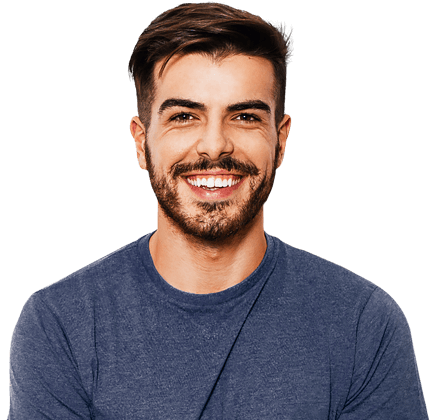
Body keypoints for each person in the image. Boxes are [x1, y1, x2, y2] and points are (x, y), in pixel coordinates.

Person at [8, 2, 429, 419]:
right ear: (141, 142)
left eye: (244, 116)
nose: (214, 146)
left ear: (280, 141)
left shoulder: (362, 325)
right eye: (184, 116)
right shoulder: (59, 324)